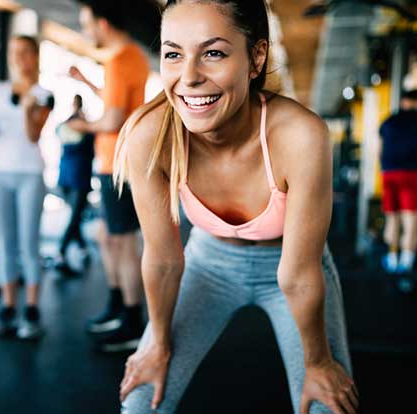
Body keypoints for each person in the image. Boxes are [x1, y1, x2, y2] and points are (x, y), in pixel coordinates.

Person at [114, 1, 358, 413]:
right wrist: (156, 343)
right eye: (173, 54)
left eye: (213, 53)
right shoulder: (149, 135)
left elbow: (297, 275)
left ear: (255, 57)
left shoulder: (300, 135)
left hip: (294, 267)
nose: (189, 77)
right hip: (207, 265)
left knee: (327, 407)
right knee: (140, 404)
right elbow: (163, 261)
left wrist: (318, 362)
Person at [68, 1, 151, 352]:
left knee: (124, 241)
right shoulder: (130, 57)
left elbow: (113, 120)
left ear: (102, 23)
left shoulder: (118, 61)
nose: (86, 31)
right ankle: (118, 308)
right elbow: (118, 103)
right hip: (116, 163)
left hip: (118, 164)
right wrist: (86, 81)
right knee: (108, 236)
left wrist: (80, 125)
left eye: (87, 24)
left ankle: (132, 321)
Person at [0, 36, 54, 339]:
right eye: (14, 53)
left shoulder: (43, 94)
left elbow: (33, 135)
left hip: (29, 173)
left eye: (25, 53)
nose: (19, 59)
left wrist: (26, 109)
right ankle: (9, 306)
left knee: (28, 243)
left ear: (35, 57)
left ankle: (32, 310)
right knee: (4, 242)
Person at [378, 89, 417, 274]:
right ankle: (406, 263)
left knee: (392, 218)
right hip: (412, 174)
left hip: (389, 173)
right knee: (411, 219)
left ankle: (392, 258)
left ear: (403, 101)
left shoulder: (388, 121)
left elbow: (379, 151)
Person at [55, 95, 95, 273]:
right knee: (75, 216)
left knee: (75, 215)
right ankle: (61, 251)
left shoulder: (67, 125)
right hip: (77, 175)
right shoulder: (82, 125)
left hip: (67, 174)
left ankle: (81, 248)